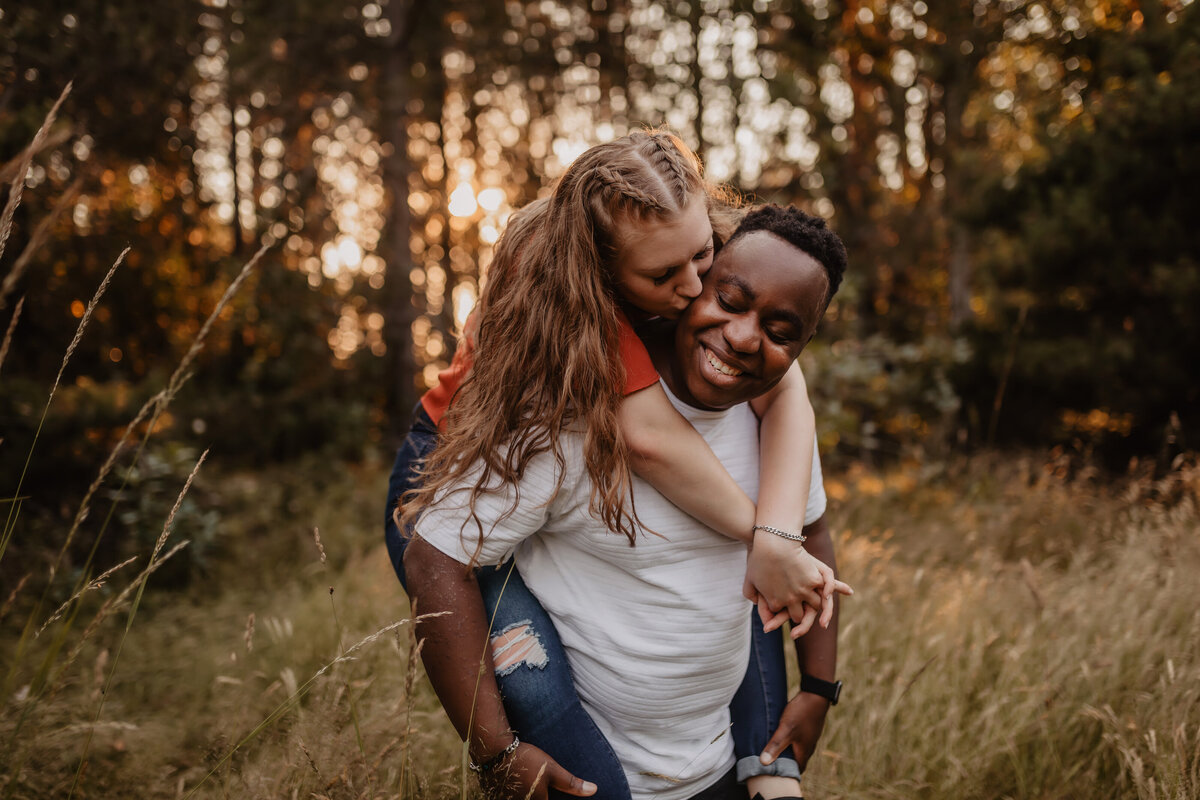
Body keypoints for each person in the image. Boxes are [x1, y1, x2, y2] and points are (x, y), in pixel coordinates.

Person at [385, 132, 845, 798]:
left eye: (703, 258)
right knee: (526, 661)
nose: (692, 289)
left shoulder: (686, 252)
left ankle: (765, 769)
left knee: (748, 584)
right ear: (601, 270)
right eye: (665, 277)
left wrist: (815, 662)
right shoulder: (573, 316)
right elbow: (649, 438)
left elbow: (787, 388)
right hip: (439, 458)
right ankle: (509, 758)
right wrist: (768, 537)